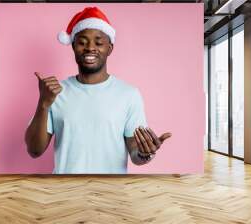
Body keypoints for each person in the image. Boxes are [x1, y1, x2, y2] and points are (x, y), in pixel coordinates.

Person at [25, 7, 171, 174]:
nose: (90, 48)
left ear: (110, 48)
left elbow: (134, 152)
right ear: (73, 46)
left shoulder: (129, 94)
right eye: (82, 42)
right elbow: (34, 150)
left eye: (99, 42)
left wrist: (145, 153)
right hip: (65, 192)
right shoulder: (55, 93)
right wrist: (43, 103)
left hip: (110, 193)